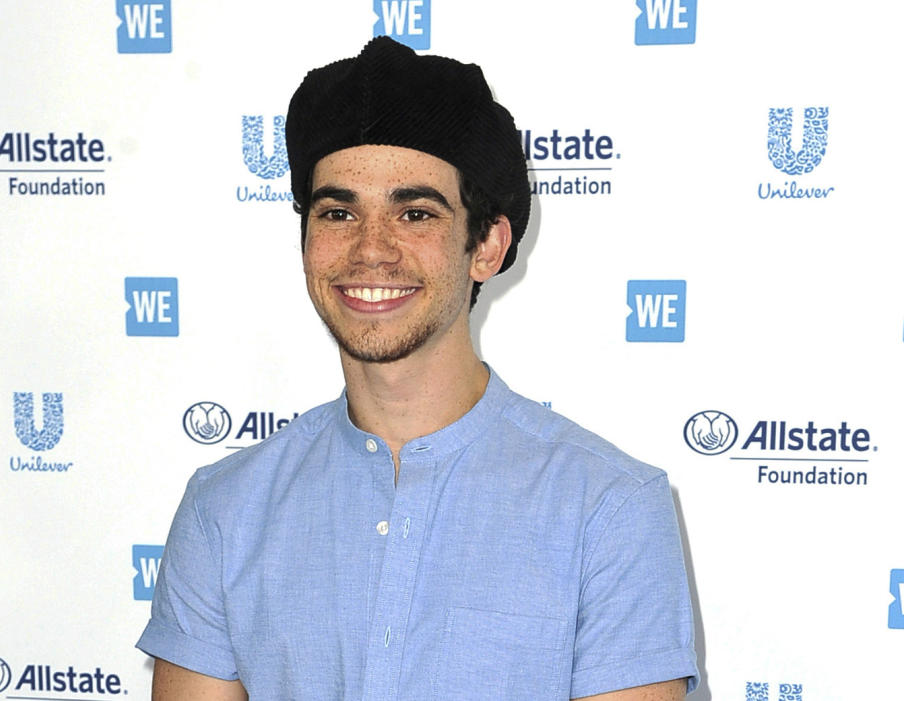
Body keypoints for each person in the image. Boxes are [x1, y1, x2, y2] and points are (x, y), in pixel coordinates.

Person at [137, 36, 700, 701]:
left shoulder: (608, 510)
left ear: (487, 244)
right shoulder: (225, 509)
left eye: (415, 213)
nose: (371, 248)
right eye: (338, 212)